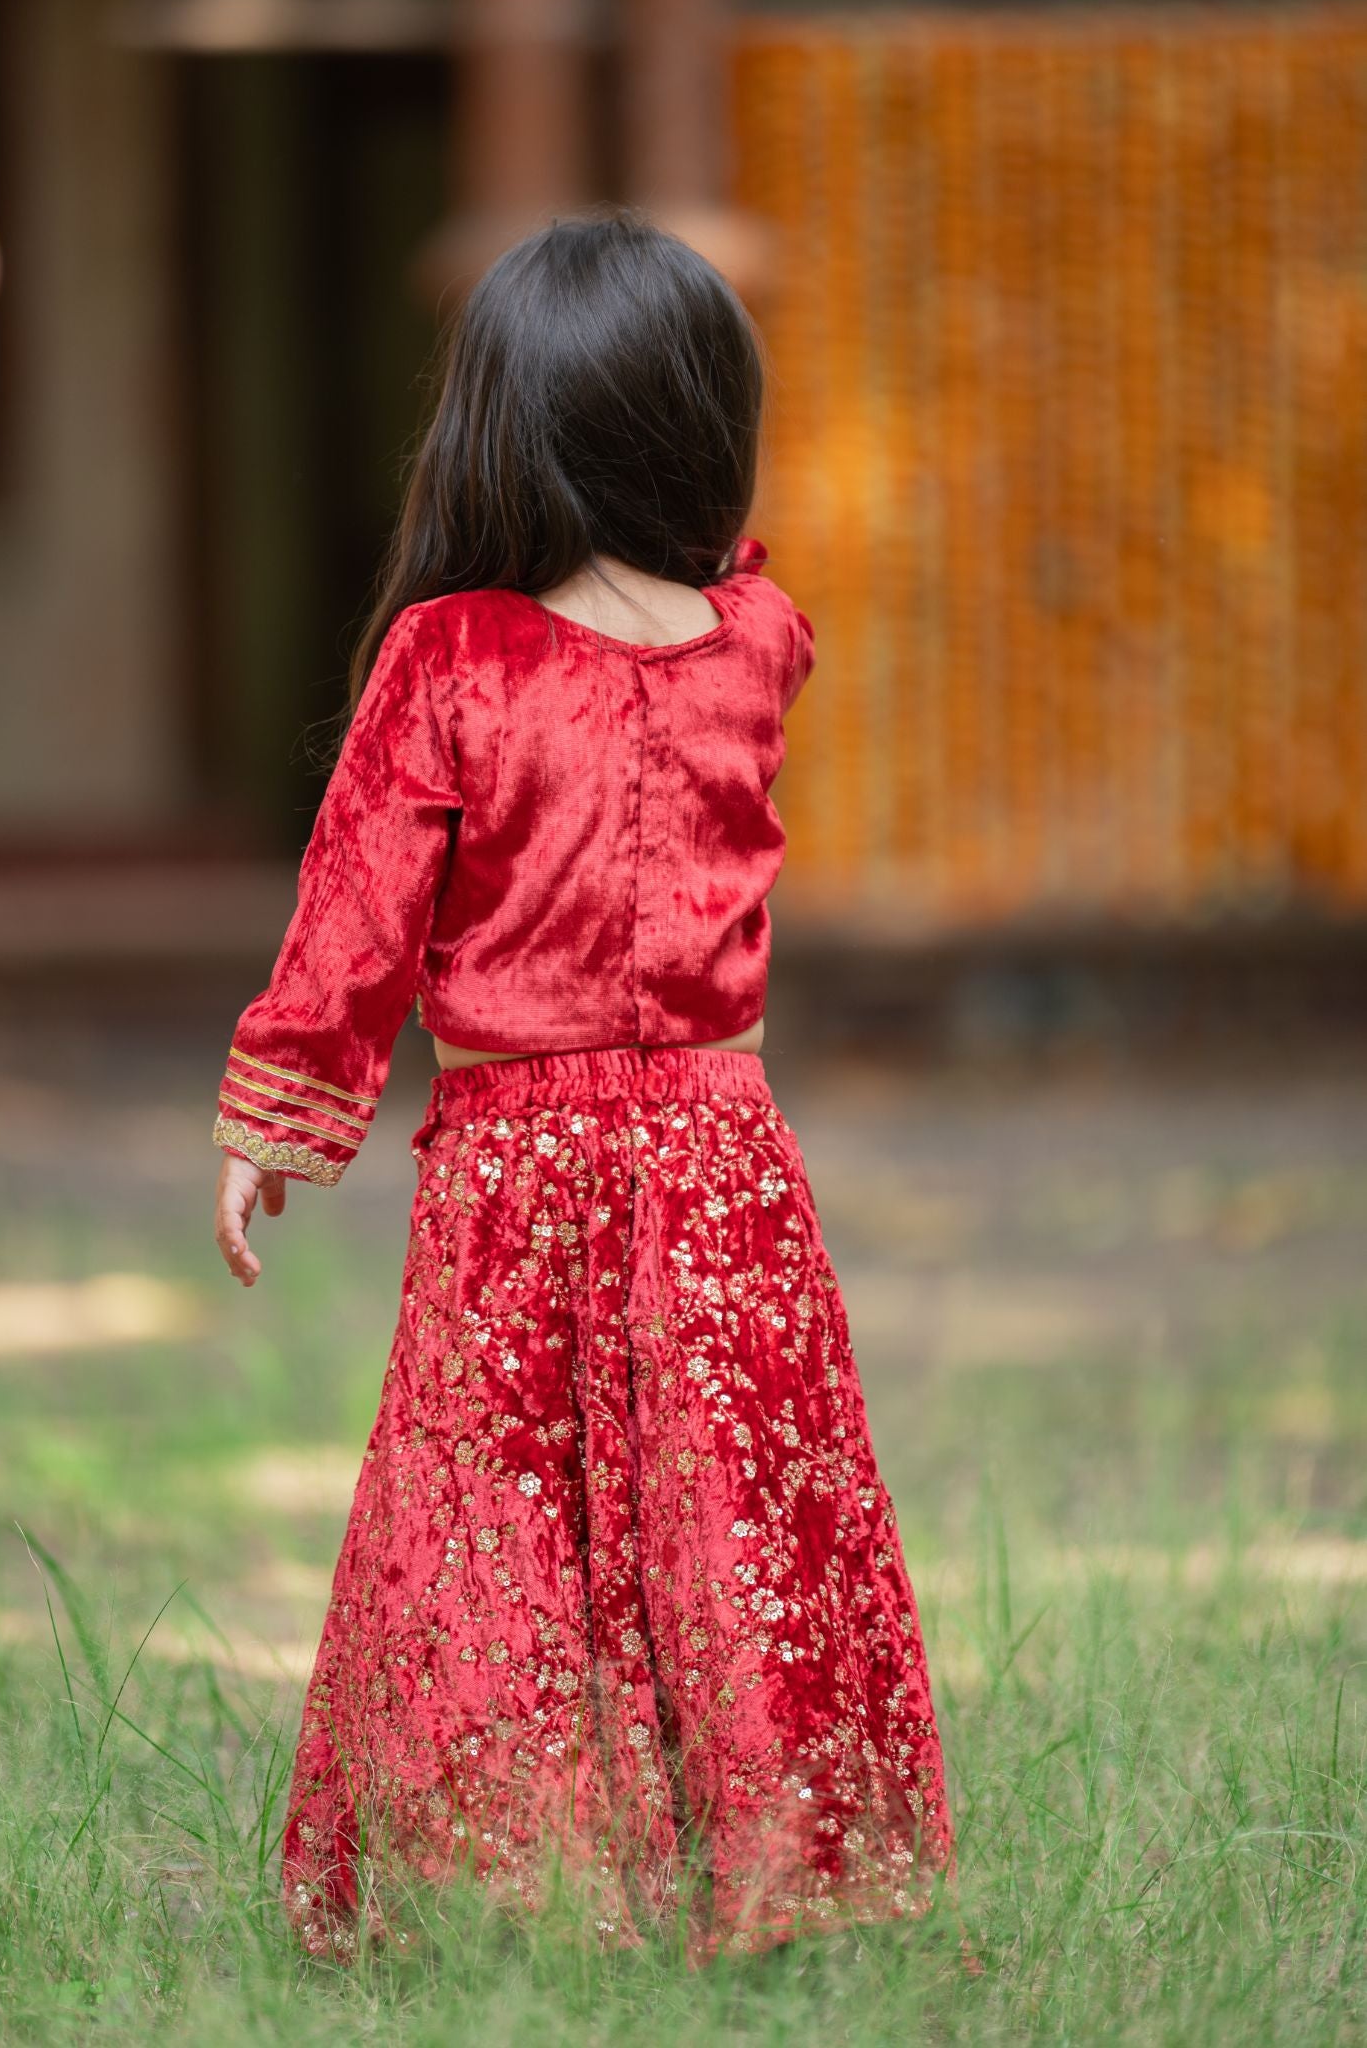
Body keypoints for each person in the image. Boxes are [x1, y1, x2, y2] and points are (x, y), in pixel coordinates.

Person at [209, 210, 956, 1964]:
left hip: (515, 1159)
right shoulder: (762, 637)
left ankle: (504, 1880)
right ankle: (781, 1872)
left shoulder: (453, 657)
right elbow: (732, 595)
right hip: (722, 1154)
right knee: (741, 1496)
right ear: (708, 419)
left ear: (497, 426)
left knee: (496, 1506)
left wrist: (275, 1121)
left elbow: (358, 916)